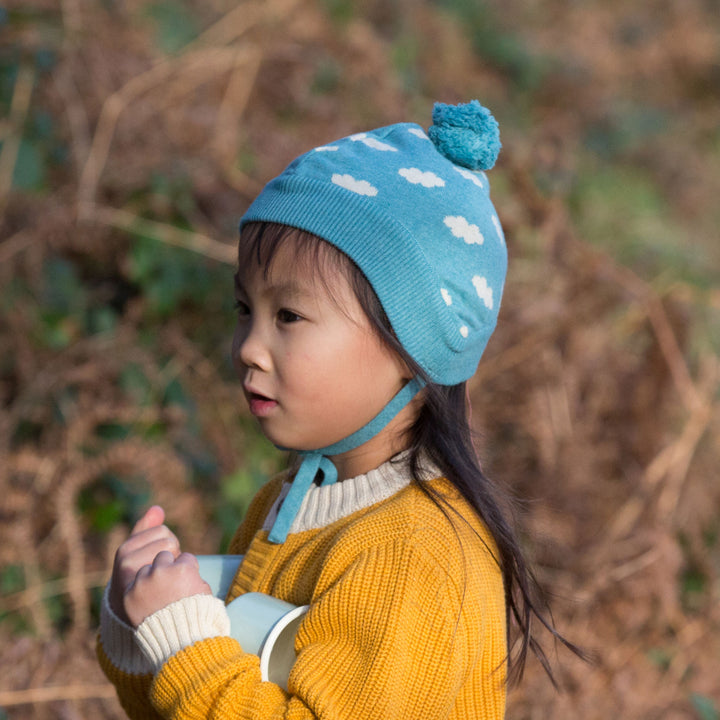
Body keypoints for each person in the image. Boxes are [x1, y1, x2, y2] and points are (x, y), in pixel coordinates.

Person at [98, 100, 561, 719]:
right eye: (245, 311)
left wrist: (187, 640)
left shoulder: (413, 555)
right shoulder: (286, 506)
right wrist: (142, 626)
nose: (249, 349)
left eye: (288, 316)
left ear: (411, 346)